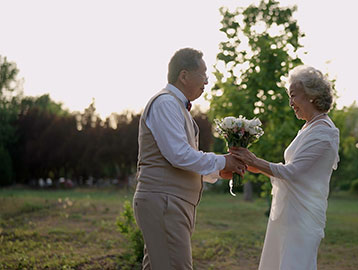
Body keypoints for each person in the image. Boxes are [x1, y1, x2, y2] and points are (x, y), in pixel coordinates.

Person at [133, 47, 245, 270]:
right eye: (203, 74)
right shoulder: (165, 103)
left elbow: (178, 159)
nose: (207, 81)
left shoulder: (175, 106)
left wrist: (217, 172)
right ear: (184, 75)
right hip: (165, 201)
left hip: (170, 202)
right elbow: (179, 155)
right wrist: (223, 161)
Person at [230, 65, 340, 270]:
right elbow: (290, 168)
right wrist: (255, 166)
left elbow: (292, 173)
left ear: (311, 96)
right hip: (288, 214)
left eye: (293, 96)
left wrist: (254, 160)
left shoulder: (324, 133)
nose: (290, 103)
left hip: (302, 217)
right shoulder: (309, 127)